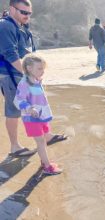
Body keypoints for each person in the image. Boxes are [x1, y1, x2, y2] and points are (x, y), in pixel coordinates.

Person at [13, 54, 62, 175]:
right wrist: (29, 108)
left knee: (43, 140)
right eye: (39, 69)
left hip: (41, 116)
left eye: (43, 69)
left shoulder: (35, 80)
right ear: (29, 68)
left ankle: (43, 162)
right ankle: (47, 166)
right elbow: (18, 100)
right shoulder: (24, 83)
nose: (42, 71)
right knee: (40, 141)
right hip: (32, 118)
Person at [0, 0, 36, 157]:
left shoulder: (20, 25)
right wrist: (30, 74)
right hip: (10, 74)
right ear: (12, 9)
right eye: (23, 12)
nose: (27, 16)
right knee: (13, 110)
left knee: (33, 104)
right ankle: (15, 146)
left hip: (20, 73)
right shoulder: (5, 25)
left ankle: (45, 136)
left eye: (29, 13)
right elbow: (10, 54)